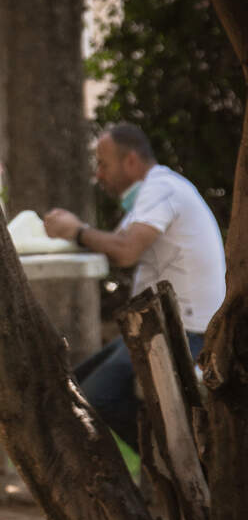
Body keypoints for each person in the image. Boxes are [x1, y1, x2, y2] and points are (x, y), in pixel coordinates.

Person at [43, 123, 226, 450]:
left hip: (187, 334)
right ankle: (160, 472)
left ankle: (182, 468)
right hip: (163, 327)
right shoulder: (153, 195)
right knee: (72, 388)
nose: (99, 175)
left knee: (96, 397)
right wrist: (76, 234)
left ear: (130, 161)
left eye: (103, 164)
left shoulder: (161, 188)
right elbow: (118, 245)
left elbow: (125, 251)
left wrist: (76, 231)